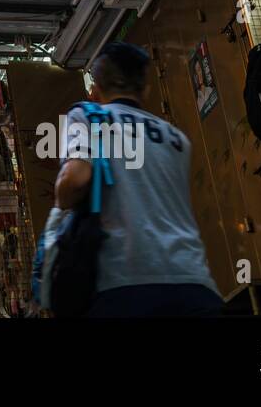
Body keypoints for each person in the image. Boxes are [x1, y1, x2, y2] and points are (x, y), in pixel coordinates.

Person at [55, 41, 221, 317]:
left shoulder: (87, 116)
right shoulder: (176, 138)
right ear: (145, 88)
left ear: (95, 89)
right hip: (194, 283)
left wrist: (62, 199)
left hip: (124, 285)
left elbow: (75, 179)